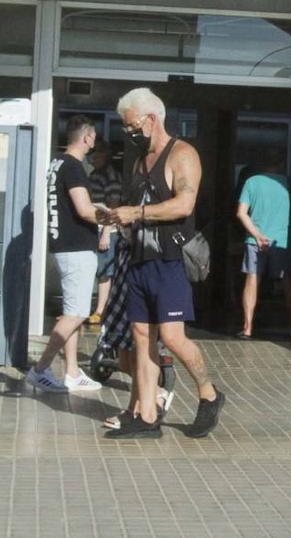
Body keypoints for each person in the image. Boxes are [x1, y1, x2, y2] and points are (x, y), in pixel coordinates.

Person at [101, 88, 224, 439]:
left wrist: (137, 212)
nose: (129, 133)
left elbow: (184, 205)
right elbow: (137, 207)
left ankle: (209, 393)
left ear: (152, 119)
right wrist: (117, 218)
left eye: (133, 126)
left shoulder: (182, 155)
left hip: (170, 260)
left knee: (171, 337)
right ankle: (147, 415)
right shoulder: (139, 161)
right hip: (139, 259)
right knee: (141, 337)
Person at [26, 115, 104, 393]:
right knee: (77, 313)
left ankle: (72, 371)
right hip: (77, 248)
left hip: (63, 246)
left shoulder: (56, 164)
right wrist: (110, 219)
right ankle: (40, 369)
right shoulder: (73, 167)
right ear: (86, 137)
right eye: (94, 135)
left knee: (73, 310)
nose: (95, 140)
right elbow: (84, 209)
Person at [235, 149, 291, 339]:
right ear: (281, 164)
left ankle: (247, 327)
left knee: (252, 279)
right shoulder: (287, 184)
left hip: (255, 240)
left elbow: (241, 213)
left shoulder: (251, 182)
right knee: (286, 281)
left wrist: (258, 235)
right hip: (280, 240)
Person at [87, 144, 124, 325]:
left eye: (97, 154)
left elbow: (114, 205)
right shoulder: (95, 175)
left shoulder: (111, 176)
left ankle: (101, 310)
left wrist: (107, 232)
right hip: (96, 227)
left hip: (106, 229)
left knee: (105, 271)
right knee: (99, 270)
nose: (93, 158)